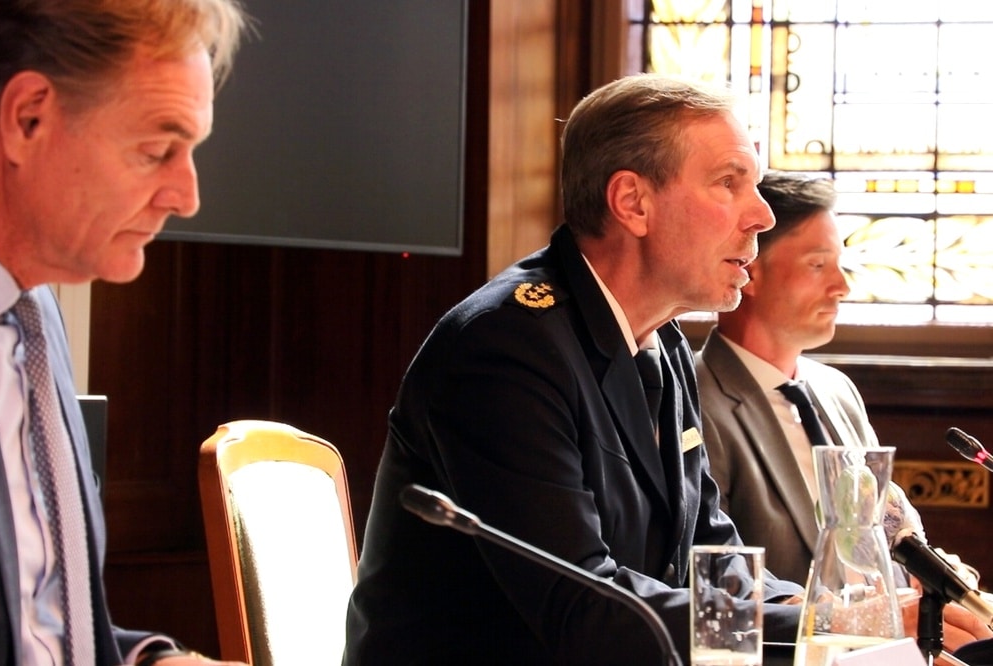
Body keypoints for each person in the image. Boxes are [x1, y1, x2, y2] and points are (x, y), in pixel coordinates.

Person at [343, 73, 805, 665]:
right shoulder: (506, 348)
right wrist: (813, 625)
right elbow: (584, 609)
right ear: (633, 202)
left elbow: (708, 546)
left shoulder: (659, 339)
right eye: (729, 184)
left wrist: (835, 615)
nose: (762, 216)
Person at [0, 1, 249, 664]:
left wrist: (153, 660)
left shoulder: (33, 311)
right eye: (158, 150)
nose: (187, 195)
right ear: (29, 119)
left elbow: (40, 626)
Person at [695, 170, 993, 653]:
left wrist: (938, 579)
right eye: (818, 265)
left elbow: (892, 528)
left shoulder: (835, 389)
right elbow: (713, 579)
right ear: (748, 267)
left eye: (841, 265)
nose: (842, 286)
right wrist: (868, 622)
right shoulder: (694, 398)